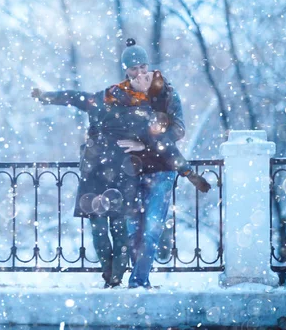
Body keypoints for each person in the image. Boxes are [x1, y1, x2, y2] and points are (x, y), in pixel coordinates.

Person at [32, 67, 209, 288]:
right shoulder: (119, 102)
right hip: (106, 174)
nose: (140, 78)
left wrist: (187, 172)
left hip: (115, 174)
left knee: (117, 230)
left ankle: (115, 279)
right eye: (136, 76)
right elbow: (76, 98)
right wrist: (47, 98)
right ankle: (113, 278)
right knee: (110, 229)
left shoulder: (135, 108)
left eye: (145, 77)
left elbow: (164, 145)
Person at [116, 39, 195, 289]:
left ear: (148, 65)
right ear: (125, 70)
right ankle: (140, 280)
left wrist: (145, 143)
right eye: (133, 68)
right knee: (132, 229)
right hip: (132, 170)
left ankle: (138, 281)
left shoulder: (166, 92)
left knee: (151, 229)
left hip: (162, 169)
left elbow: (178, 129)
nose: (139, 72)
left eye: (142, 66)